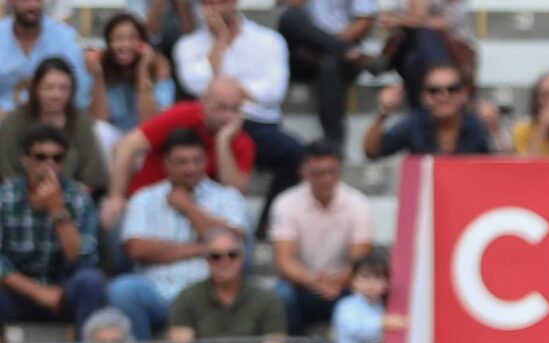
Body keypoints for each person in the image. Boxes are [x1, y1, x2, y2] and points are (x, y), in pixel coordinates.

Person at [104, 127, 250, 343]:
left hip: (209, 293)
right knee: (123, 290)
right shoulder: (145, 198)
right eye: (182, 162)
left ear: (206, 160)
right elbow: (137, 249)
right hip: (156, 291)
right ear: (166, 164)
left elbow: (234, 245)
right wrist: (201, 249)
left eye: (196, 160)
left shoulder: (228, 197)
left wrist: (189, 208)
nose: (190, 168)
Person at [173, 0, 301, 206]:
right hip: (208, 126)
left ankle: (269, 221)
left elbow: (274, 91)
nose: (216, 8)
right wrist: (220, 41)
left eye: (222, 1)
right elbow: (196, 86)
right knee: (178, 149)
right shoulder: (187, 45)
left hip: (256, 124)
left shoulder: (269, 40)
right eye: (208, 2)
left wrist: (225, 94)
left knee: (294, 152)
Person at [0, 120, 105, 331]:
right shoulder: (6, 198)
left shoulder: (78, 198)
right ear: (26, 160)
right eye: (40, 157)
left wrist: (57, 209)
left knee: (91, 281)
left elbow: (82, 257)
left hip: (63, 293)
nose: (49, 164)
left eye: (57, 158)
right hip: (18, 293)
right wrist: (36, 291)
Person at [104, 78, 256, 215]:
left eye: (235, 109)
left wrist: (223, 143)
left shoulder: (242, 141)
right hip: (147, 201)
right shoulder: (182, 115)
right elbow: (128, 145)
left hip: (198, 211)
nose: (228, 117)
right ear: (204, 103)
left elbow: (235, 193)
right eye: (221, 108)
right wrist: (116, 197)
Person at [265, 139, 369, 337]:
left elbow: (359, 261)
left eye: (333, 172)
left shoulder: (358, 203)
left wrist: (335, 282)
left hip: (343, 285)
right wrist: (314, 282)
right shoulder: (285, 203)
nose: (327, 179)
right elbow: (284, 261)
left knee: (368, 290)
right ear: (304, 172)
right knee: (281, 296)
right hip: (301, 285)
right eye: (320, 173)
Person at [0, 55, 107, 190]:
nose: (56, 95)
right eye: (48, 88)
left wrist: (69, 200)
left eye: (63, 89)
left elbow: (91, 176)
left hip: (71, 197)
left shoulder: (80, 121)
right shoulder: (14, 121)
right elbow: (7, 172)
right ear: (36, 89)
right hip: (20, 197)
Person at [276, 0, 373, 148]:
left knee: (328, 64)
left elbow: (364, 22)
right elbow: (288, 7)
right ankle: (343, 50)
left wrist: (325, 45)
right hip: (305, 51)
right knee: (290, 17)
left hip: (337, 59)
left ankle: (334, 143)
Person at [373, 0, 479, 114]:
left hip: (449, 52)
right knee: (415, 51)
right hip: (414, 53)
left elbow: (445, 22)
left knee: (422, 42)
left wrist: (403, 21)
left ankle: (425, 105)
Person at [362, 69, 493, 157]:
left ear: (464, 94)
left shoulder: (477, 124)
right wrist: (383, 112)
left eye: (452, 89)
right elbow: (372, 151)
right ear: (424, 96)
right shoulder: (414, 123)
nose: (443, 96)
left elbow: (499, 164)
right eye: (434, 90)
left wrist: (495, 130)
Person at [89, 14, 171, 141]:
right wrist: (98, 75)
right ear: (109, 43)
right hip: (115, 136)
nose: (125, 45)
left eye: (132, 38)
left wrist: (142, 70)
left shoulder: (158, 65)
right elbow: (100, 119)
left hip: (146, 136)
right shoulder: (102, 65)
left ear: (142, 42)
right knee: (99, 131)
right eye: (118, 39)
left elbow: (149, 120)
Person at [0, 0, 86, 116]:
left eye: (38, 0)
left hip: (54, 118)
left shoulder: (65, 37)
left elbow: (78, 88)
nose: (33, 5)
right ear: (11, 2)